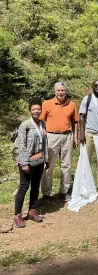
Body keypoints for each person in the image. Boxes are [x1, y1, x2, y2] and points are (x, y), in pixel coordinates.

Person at [40, 81, 78, 202]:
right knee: (48, 165)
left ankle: (64, 191)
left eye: (63, 90)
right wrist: (42, 135)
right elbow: (41, 121)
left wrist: (75, 138)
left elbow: (75, 122)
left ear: (66, 91)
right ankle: (46, 194)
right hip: (51, 137)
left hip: (67, 136)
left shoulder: (71, 105)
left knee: (66, 165)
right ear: (54, 91)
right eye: (58, 90)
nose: (61, 92)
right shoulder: (47, 104)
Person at [13, 98, 48, 228]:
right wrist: (24, 163)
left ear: (41, 110)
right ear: (30, 110)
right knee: (24, 186)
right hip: (27, 161)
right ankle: (17, 215)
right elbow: (21, 145)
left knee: (35, 186)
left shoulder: (42, 124)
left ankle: (32, 210)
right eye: (33, 109)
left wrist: (47, 159)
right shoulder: (25, 125)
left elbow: (45, 142)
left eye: (38, 109)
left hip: (39, 160)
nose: (36, 111)